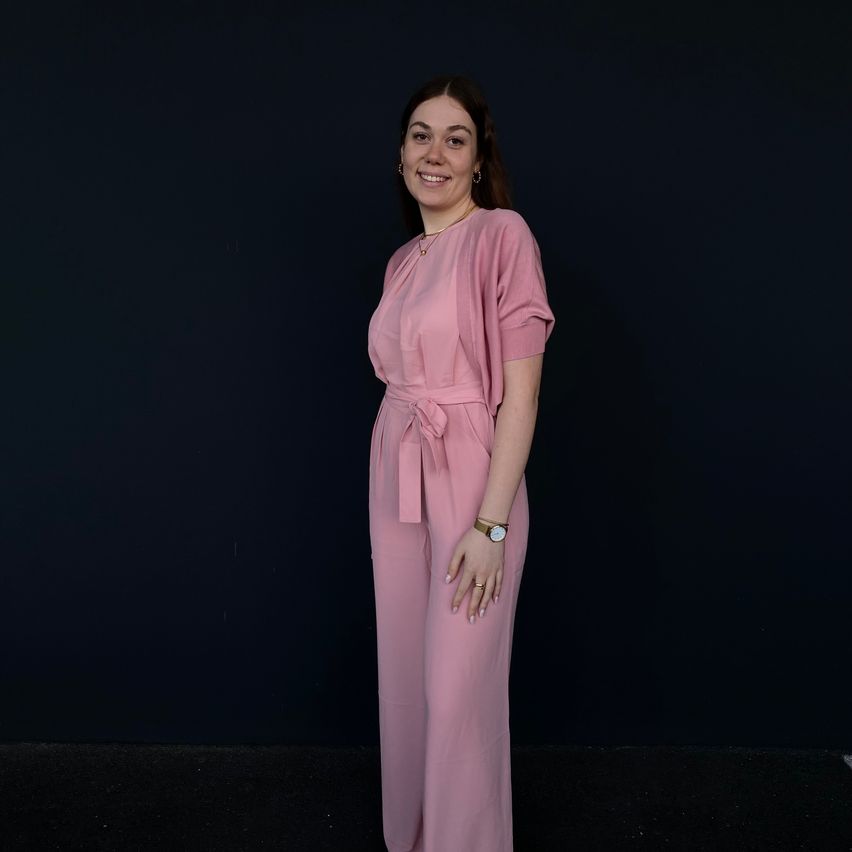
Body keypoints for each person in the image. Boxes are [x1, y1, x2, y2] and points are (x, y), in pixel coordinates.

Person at [367, 73, 556, 852]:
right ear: (402, 154)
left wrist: (493, 523)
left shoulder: (503, 237)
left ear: (478, 161)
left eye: (455, 138)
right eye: (420, 135)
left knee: (457, 693)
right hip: (394, 471)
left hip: (475, 476)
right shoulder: (403, 261)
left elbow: (523, 398)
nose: (434, 153)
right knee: (408, 682)